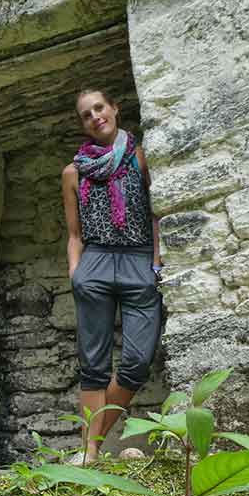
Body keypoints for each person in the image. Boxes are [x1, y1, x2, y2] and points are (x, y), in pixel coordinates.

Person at [61, 89, 163, 465]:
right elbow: (74, 234)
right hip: (96, 263)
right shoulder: (73, 173)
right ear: (83, 124)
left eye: (99, 108)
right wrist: (77, 273)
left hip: (139, 262)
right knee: (94, 364)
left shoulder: (140, 159)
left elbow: (157, 215)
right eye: (86, 114)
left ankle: (94, 443)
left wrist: (155, 261)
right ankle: (88, 454)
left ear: (115, 109)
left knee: (137, 360)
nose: (95, 117)